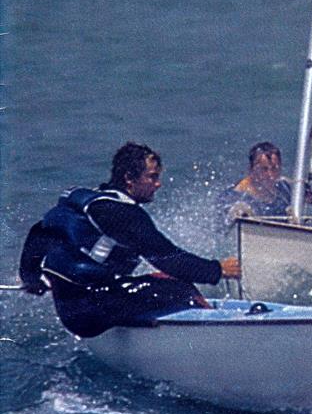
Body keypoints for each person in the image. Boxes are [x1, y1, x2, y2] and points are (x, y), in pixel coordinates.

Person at [18, 142, 241, 338]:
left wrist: (32, 278)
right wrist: (217, 269)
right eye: (152, 177)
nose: (158, 184)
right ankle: (223, 335)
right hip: (91, 313)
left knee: (160, 279)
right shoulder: (122, 213)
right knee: (180, 288)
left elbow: (39, 233)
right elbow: (168, 258)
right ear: (129, 179)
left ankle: (143, 320)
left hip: (72, 306)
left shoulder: (93, 200)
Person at [217, 141, 312, 226]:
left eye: (275, 169)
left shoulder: (284, 188)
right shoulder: (235, 194)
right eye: (264, 169)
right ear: (251, 169)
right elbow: (223, 220)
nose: (270, 175)